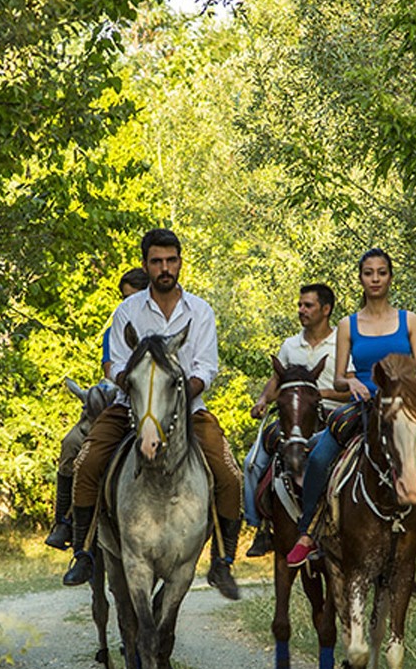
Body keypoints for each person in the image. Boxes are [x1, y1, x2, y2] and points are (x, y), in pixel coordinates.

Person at [62, 229, 246, 599]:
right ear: (146, 264)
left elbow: (207, 368)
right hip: (129, 408)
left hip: (189, 411)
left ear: (180, 262)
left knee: (230, 473)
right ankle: (82, 552)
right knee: (87, 459)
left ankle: (222, 561)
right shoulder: (127, 311)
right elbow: (111, 363)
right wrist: (130, 384)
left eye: (171, 261)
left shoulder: (200, 311)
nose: (165, 268)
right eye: (157, 261)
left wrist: (178, 396)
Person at [284, 248, 416, 573]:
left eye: (381, 272)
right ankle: (307, 533)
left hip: (401, 408)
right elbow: (337, 377)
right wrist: (351, 383)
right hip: (361, 406)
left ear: (390, 277)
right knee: (319, 458)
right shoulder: (348, 325)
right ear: (361, 279)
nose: (375, 279)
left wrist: (402, 387)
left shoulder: (410, 320)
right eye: (368, 273)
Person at [242, 283, 350, 557]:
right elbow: (276, 380)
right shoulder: (290, 345)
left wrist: (314, 394)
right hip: (291, 417)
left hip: (332, 415)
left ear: (326, 309)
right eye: (300, 305)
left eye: (308, 305)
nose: (301, 310)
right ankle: (260, 527)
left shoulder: (342, 342)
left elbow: (350, 387)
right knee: (252, 462)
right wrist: (263, 400)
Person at [46, 267, 150, 550]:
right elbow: (109, 370)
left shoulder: (168, 326)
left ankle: (217, 533)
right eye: (124, 298)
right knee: (72, 444)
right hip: (121, 404)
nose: (127, 304)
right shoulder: (112, 333)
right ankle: (66, 525)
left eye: (135, 297)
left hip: (162, 406)